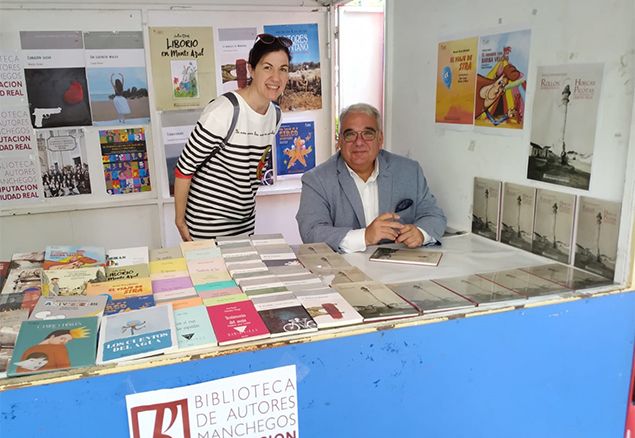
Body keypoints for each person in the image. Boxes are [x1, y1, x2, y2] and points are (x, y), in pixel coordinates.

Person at [174, 34, 292, 241]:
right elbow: (184, 168)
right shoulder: (225, 110)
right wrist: (180, 221)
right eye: (267, 67)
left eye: (283, 69)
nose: (276, 77)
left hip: (244, 224)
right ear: (251, 69)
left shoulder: (275, 115)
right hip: (206, 225)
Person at [296, 103, 447, 253]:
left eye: (368, 134)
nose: (359, 142)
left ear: (380, 138)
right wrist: (365, 237)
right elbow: (311, 232)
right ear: (340, 141)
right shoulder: (316, 180)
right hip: (345, 270)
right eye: (350, 135)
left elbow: (433, 215)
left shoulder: (409, 171)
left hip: (399, 270)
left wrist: (421, 233)